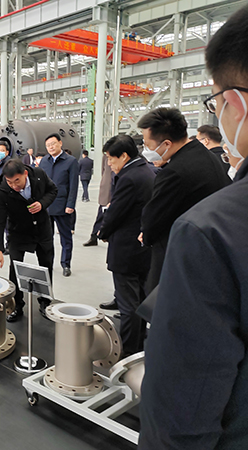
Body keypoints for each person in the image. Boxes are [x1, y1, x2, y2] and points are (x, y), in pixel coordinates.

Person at [140, 7, 248, 447]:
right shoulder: (206, 163)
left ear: (235, 103)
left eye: (216, 102)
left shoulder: (209, 231)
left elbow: (182, 410)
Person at [138, 107, 231, 294]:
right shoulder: (203, 154)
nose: (146, 150)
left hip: (179, 255)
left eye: (147, 145)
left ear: (166, 144)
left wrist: (146, 235)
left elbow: (153, 218)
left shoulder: (174, 172)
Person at [97, 135, 155, 357]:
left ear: (124, 156)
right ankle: (138, 346)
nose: (109, 164)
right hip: (142, 248)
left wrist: (103, 232)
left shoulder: (129, 178)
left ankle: (128, 351)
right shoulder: (146, 170)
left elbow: (116, 212)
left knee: (128, 305)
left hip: (127, 250)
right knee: (139, 299)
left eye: (111, 159)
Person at [0, 159, 58, 322]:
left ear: (25, 174)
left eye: (17, 181)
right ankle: (16, 305)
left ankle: (45, 302)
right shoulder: (3, 190)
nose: (14, 185)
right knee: (15, 268)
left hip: (42, 229)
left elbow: (53, 190)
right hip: (18, 231)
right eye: (10, 182)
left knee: (46, 265)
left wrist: (42, 203)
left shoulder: (39, 175)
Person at [39, 133, 79, 277]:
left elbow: (73, 185)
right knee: (46, 238)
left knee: (65, 238)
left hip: (63, 206)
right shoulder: (44, 161)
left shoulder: (71, 161)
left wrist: (70, 205)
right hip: (46, 206)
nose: (51, 147)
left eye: (53, 144)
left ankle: (66, 264)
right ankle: (47, 262)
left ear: (60, 143)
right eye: (48, 145)